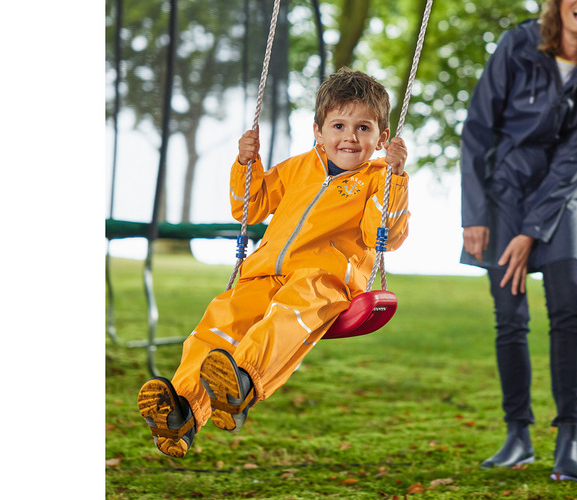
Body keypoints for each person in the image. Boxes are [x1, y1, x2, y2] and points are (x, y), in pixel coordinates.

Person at [138, 68, 410, 458]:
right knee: (219, 324)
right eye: (339, 125)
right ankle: (180, 413)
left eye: (363, 128)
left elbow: (384, 235)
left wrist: (396, 177)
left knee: (288, 314)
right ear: (318, 131)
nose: (350, 137)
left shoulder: (378, 178)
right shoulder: (300, 167)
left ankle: (243, 382)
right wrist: (246, 165)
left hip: (323, 280)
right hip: (263, 272)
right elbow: (249, 205)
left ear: (382, 138)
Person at [460, 0, 577, 482]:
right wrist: (476, 215)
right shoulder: (517, 44)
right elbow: (478, 130)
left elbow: (574, 160)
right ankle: (517, 435)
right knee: (510, 318)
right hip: (502, 196)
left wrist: (534, 229)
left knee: (567, 312)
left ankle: (569, 437)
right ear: (561, 0)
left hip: (560, 202)